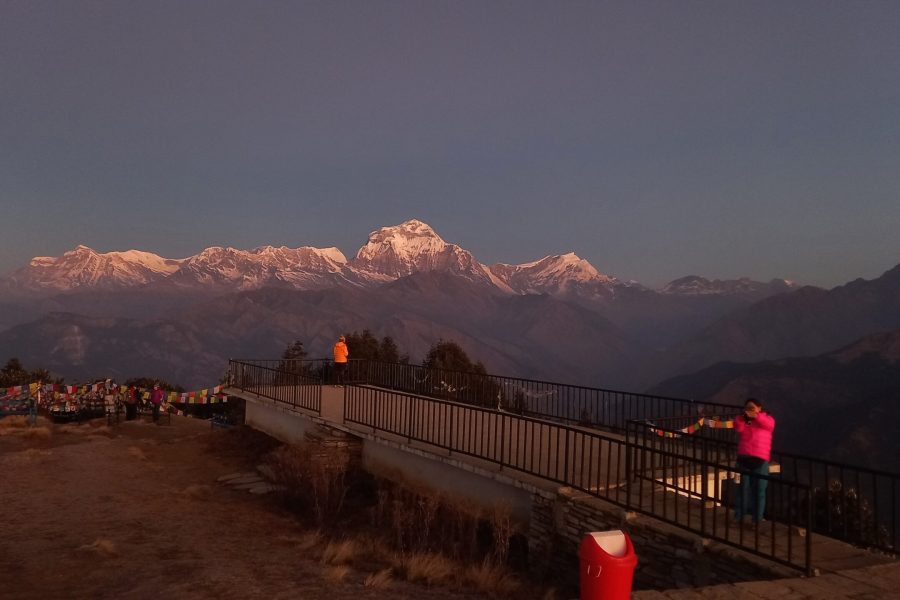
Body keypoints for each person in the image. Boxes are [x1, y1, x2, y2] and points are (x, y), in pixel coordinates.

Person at [733, 398, 775, 525]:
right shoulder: (744, 420)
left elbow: (770, 426)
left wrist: (757, 416)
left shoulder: (767, 419)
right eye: (747, 408)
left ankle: (757, 519)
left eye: (753, 407)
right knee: (742, 489)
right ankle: (739, 516)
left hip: (760, 459)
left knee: (759, 490)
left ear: (759, 408)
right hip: (744, 458)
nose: (750, 410)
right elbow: (737, 427)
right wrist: (744, 417)